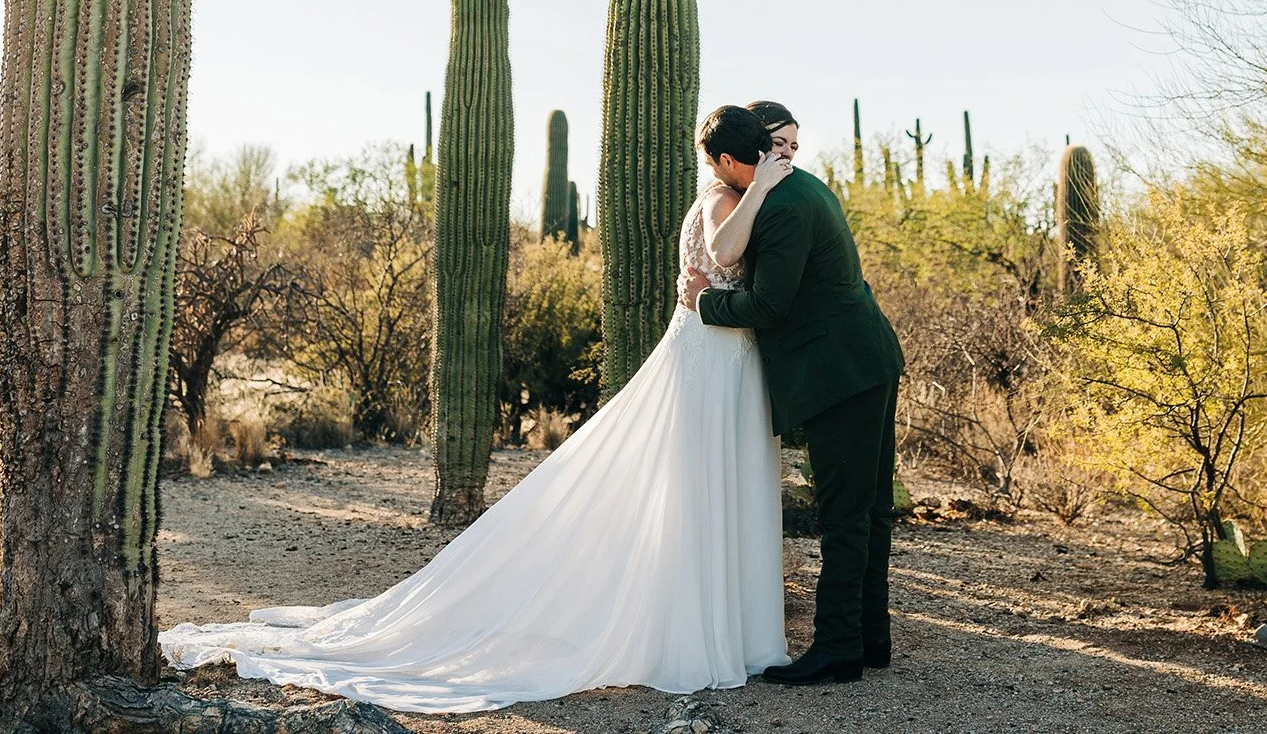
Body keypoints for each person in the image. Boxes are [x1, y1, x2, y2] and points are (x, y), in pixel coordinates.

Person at [156, 107, 796, 713]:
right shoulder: (721, 198)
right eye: (748, 163)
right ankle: (696, 631)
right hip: (709, 358)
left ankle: (717, 624)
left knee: (718, 485)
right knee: (703, 484)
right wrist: (762, 190)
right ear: (719, 163)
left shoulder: (734, 190)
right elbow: (730, 253)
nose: (755, 171)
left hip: (724, 356)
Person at [681, 100, 906, 686]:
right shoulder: (804, 188)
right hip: (867, 359)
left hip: (839, 372)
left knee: (845, 515)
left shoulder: (779, 208)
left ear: (734, 156)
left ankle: (836, 649)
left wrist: (702, 302)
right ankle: (868, 639)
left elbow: (768, 306)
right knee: (869, 510)